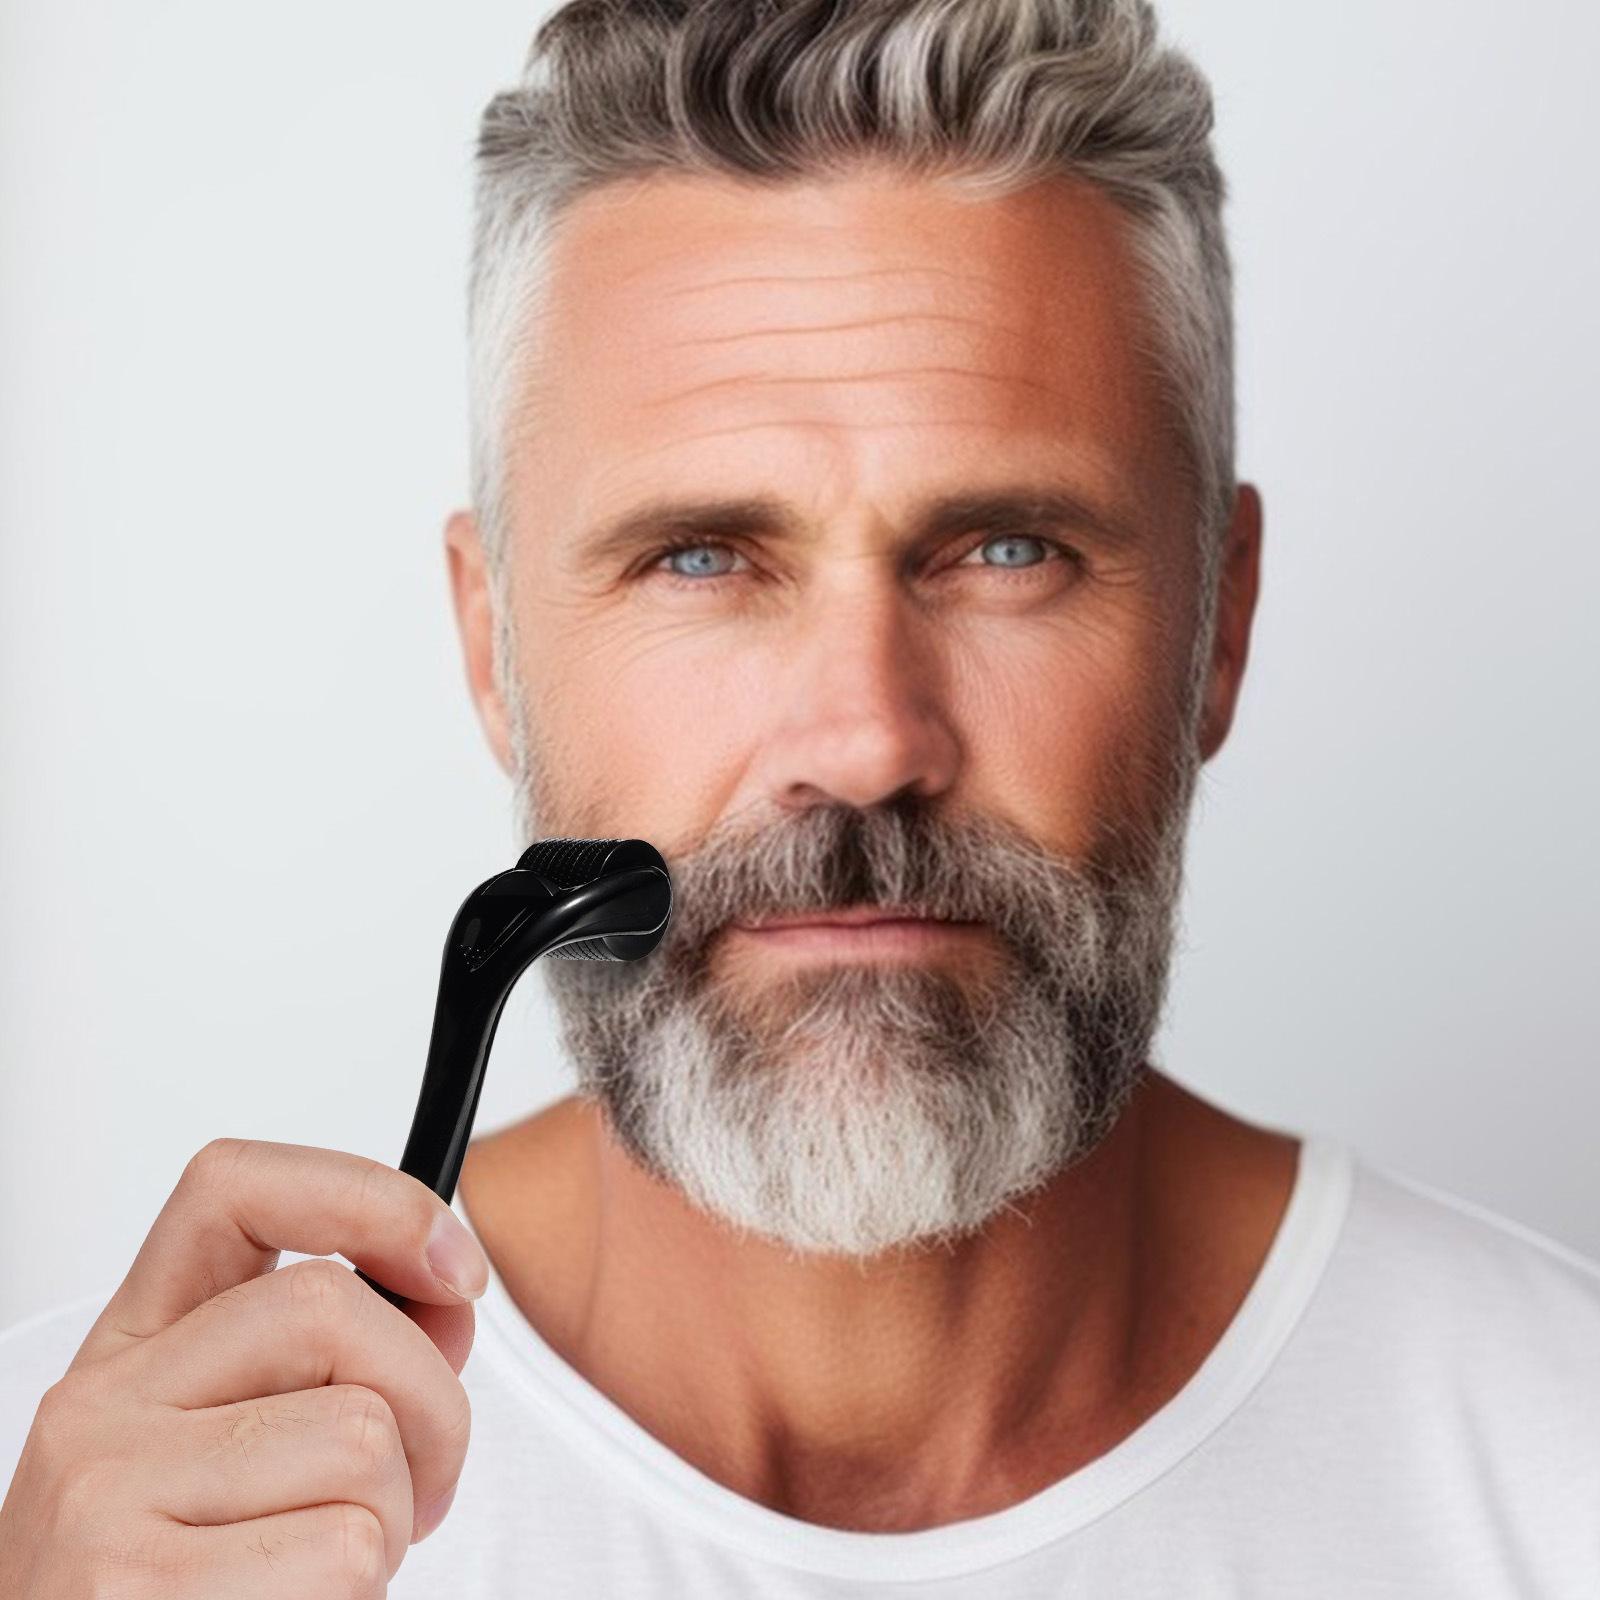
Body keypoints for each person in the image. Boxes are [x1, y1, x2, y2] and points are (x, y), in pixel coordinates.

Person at [3, 1, 1598, 1594]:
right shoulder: (95, 1514)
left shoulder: (1557, 1462)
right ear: (495, 651)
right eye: (702, 556)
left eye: (1009, 551)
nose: (867, 741)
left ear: (1219, 625)